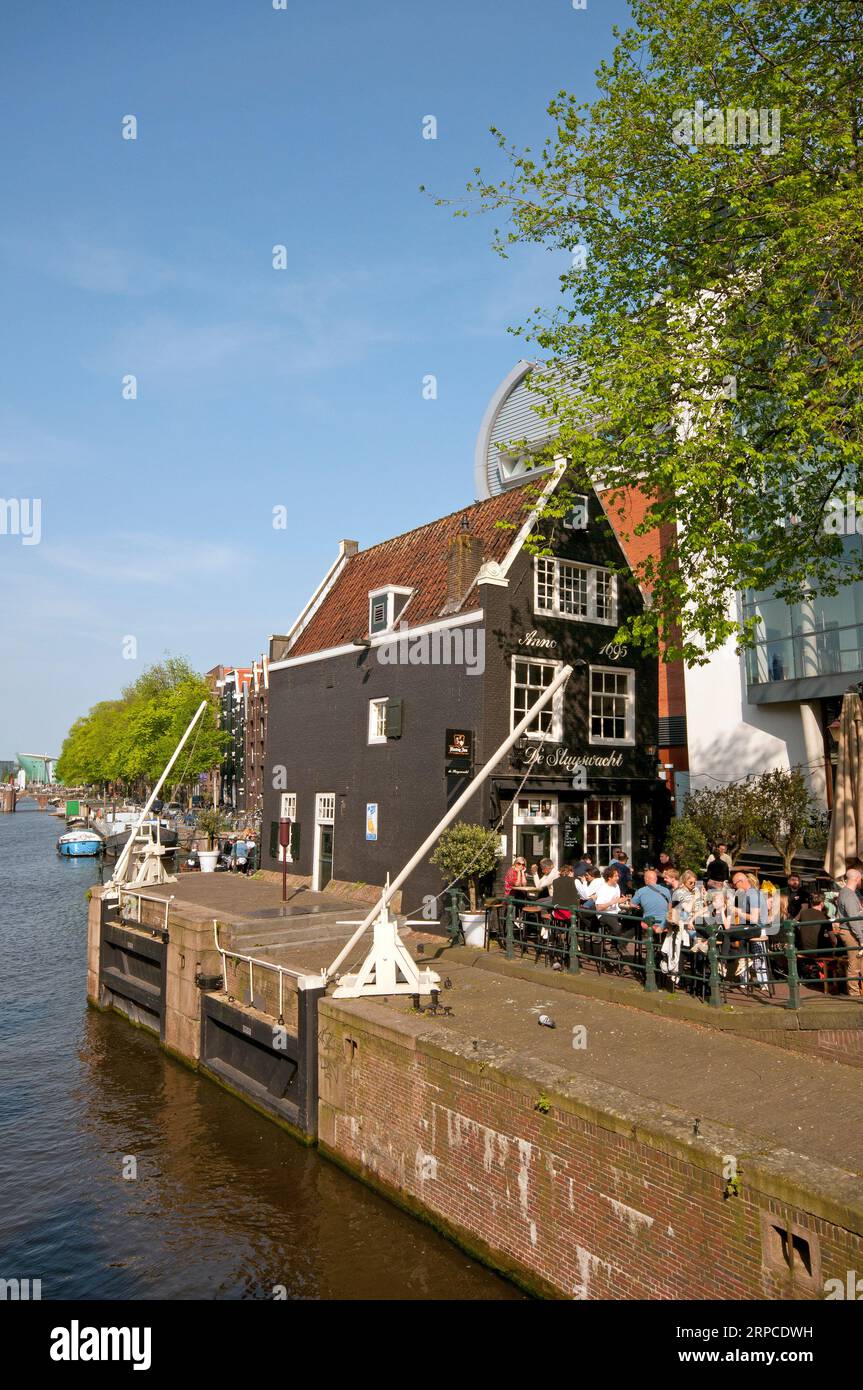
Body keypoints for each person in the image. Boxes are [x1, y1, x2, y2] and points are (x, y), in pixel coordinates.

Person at [835, 867, 863, 998]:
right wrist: (861, 938)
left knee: (860, 962)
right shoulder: (849, 895)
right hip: (851, 932)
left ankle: (856, 991)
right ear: (857, 879)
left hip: (849, 930)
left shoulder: (845, 893)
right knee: (855, 962)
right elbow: (853, 919)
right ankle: (854, 993)